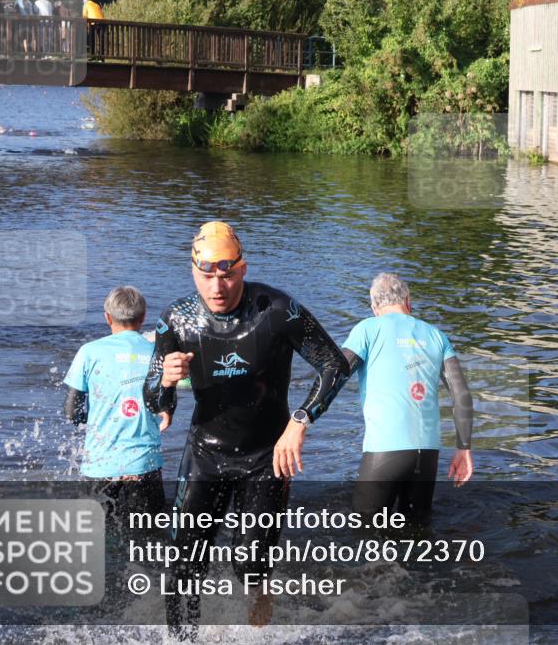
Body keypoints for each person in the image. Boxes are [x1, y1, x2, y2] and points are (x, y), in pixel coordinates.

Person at [144, 221, 349, 637]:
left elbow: (334, 364)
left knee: (249, 563)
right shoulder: (175, 321)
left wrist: (300, 421)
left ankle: (260, 608)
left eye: (227, 274)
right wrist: (164, 382)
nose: (217, 287)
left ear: (243, 267)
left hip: (266, 456)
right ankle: (180, 639)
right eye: (206, 276)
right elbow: (155, 402)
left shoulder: (276, 310)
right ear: (193, 272)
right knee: (182, 562)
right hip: (205, 452)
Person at [342, 273, 474, 527]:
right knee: (418, 534)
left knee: (364, 534)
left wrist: (303, 419)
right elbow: (462, 395)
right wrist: (464, 448)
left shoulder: (367, 329)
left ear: (374, 308)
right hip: (427, 455)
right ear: (408, 302)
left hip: (384, 451)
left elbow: (336, 373)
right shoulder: (436, 335)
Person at [63, 286, 172, 523]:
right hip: (145, 464)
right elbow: (168, 398)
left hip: (100, 465)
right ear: (143, 318)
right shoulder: (159, 353)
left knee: (98, 541)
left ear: (107, 317)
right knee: (147, 541)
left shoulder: (89, 352)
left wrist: (91, 421)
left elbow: (72, 412)